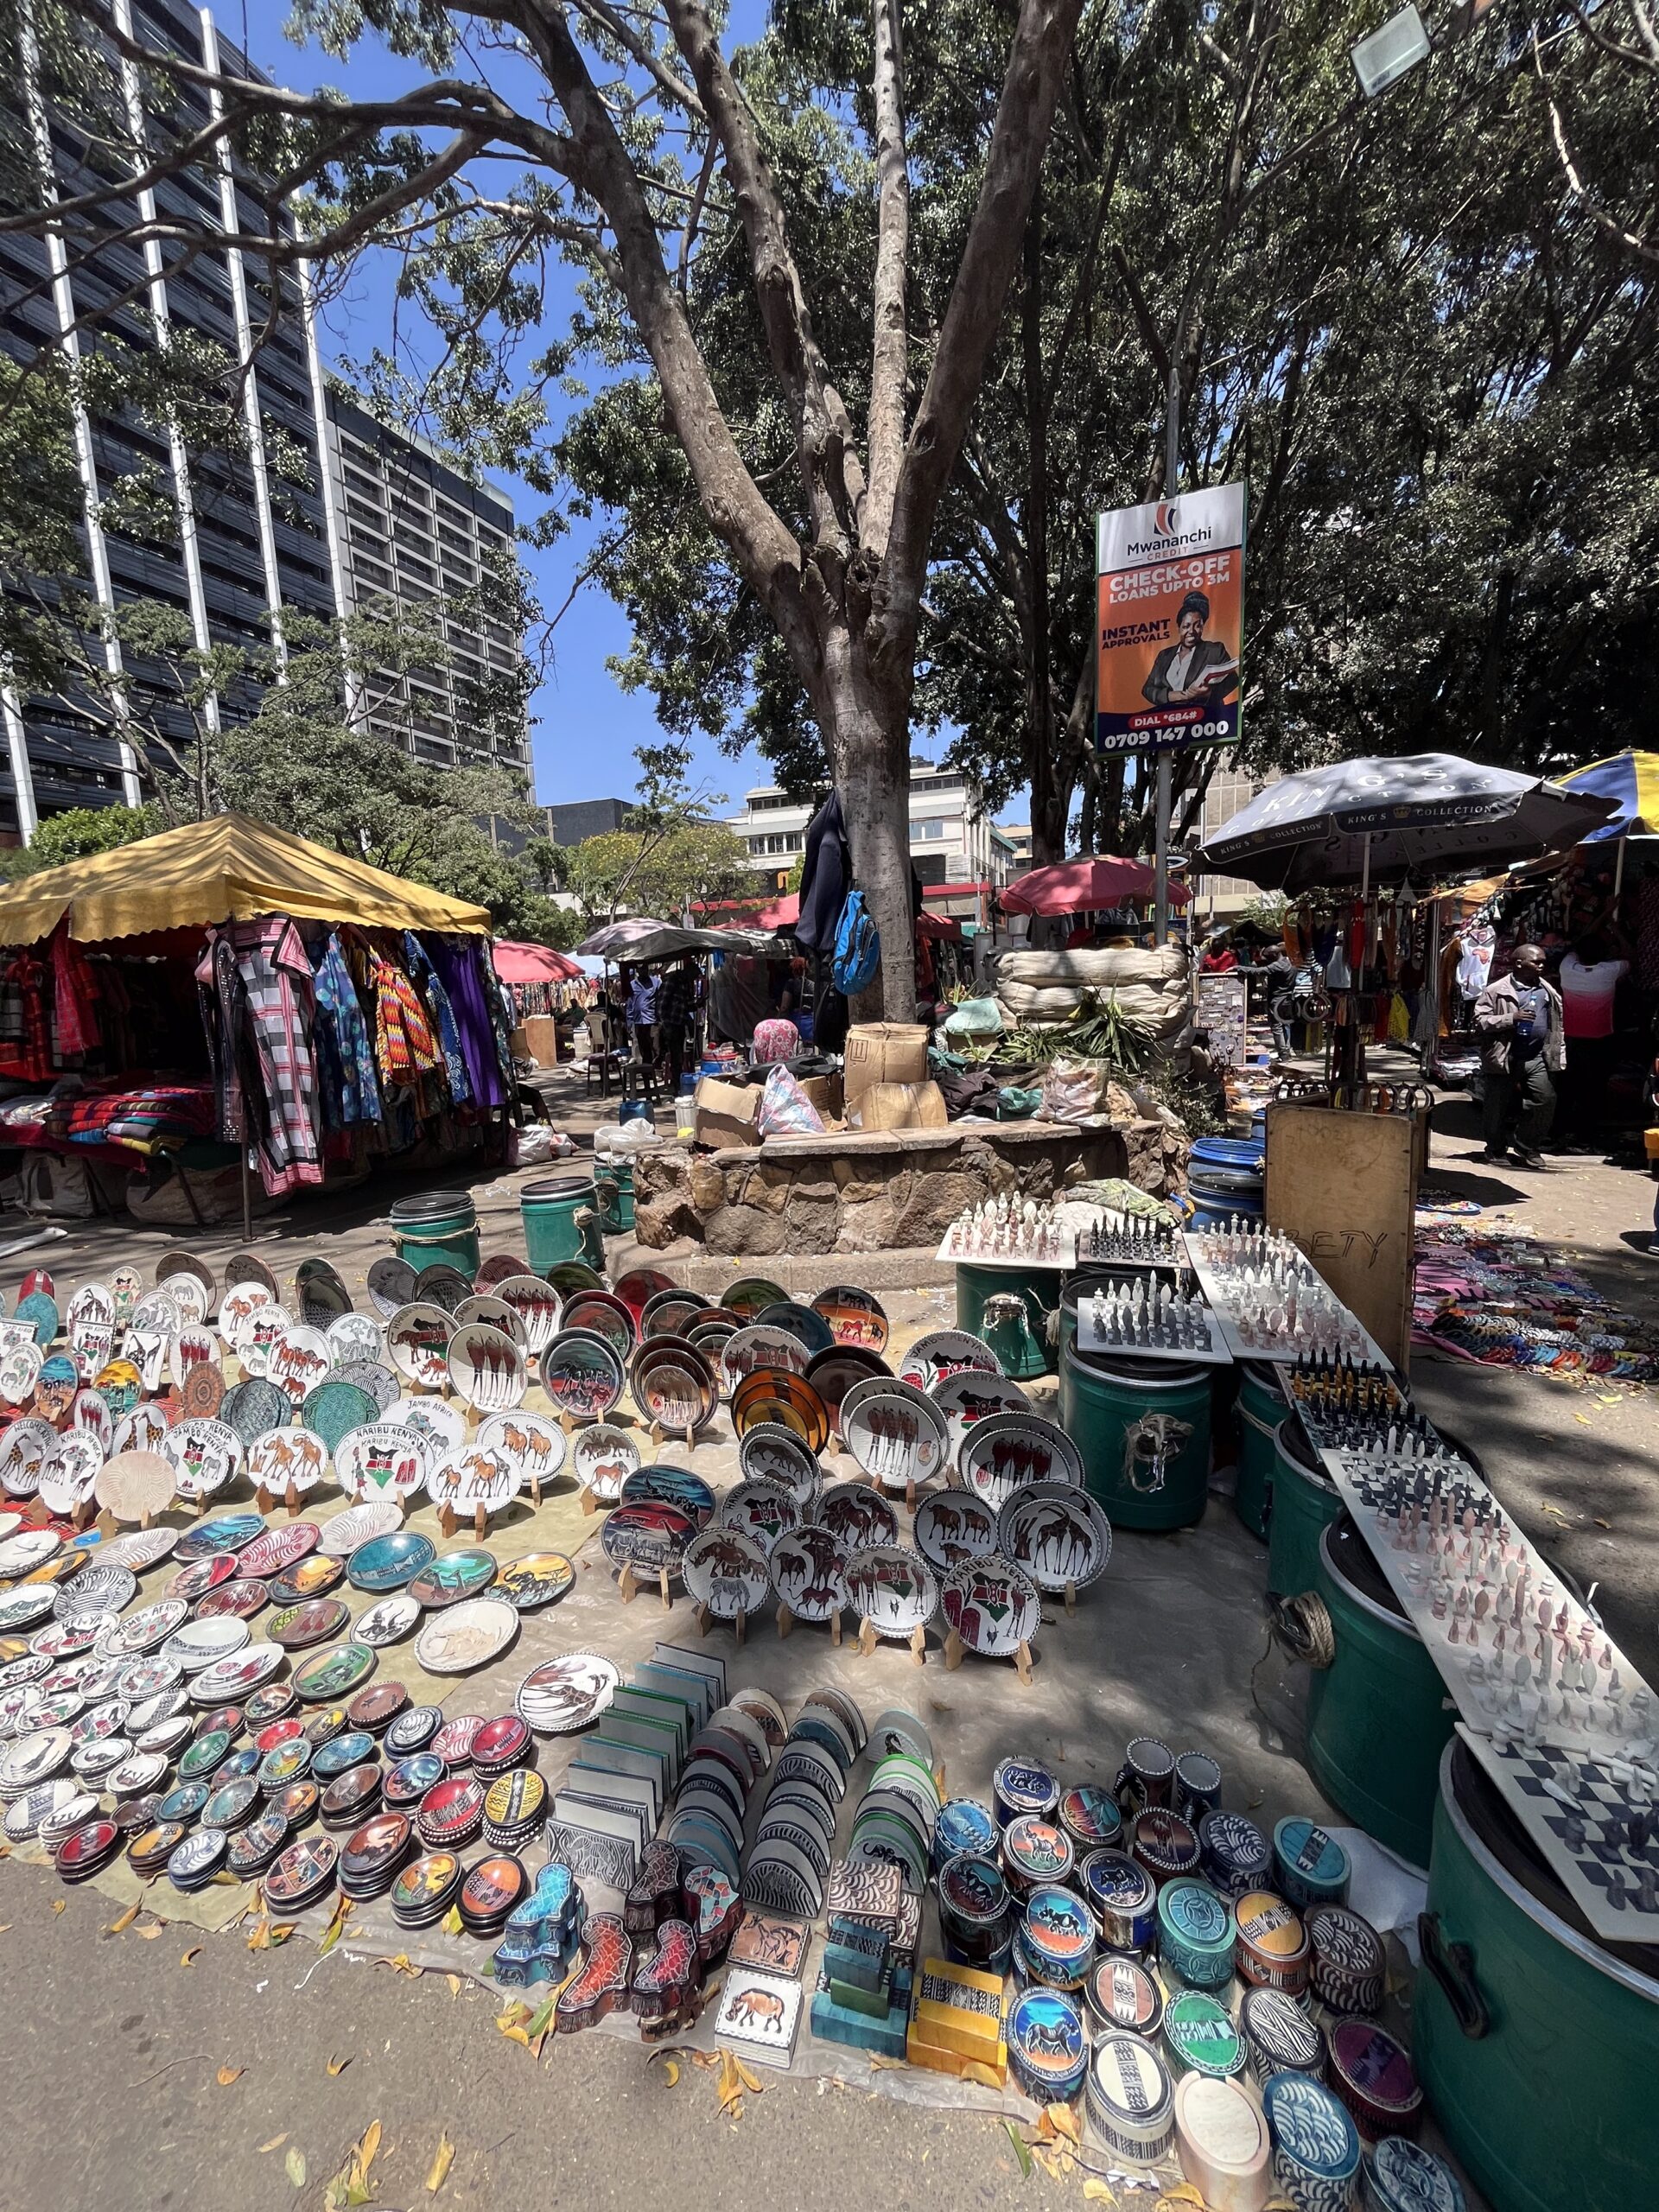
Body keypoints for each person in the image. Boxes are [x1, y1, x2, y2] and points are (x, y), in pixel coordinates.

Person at [1474, 943, 1564, 1168]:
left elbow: (1556, 1021)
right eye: (1537, 961)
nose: (1542, 965)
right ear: (1518, 963)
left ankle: (1525, 1145)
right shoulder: (1496, 990)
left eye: (1543, 961)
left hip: (1537, 1056)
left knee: (1545, 1099)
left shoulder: (1547, 988)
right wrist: (1510, 1018)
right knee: (1497, 1106)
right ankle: (1495, 1149)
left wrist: (1558, 1050)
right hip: (1505, 1056)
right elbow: (1479, 1021)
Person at [1557, 926, 1630, 1143]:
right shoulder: (1610, 971)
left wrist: (1604, 915)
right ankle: (1585, 1133)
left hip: (1571, 1038)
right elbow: (1630, 956)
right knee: (1594, 1088)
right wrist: (1618, 932)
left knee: (1570, 1085)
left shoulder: (1567, 968)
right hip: (1600, 1040)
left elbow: (1576, 941)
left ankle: (1562, 1129)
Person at [1142, 591, 1238, 709]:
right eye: (1186, 626)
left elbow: (1232, 681)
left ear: (1202, 627)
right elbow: (1148, 689)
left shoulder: (1214, 650)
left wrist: (1208, 693)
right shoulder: (1164, 655)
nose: (1191, 631)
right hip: (1167, 720)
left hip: (1202, 719)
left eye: (1197, 626)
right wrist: (1169, 696)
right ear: (1179, 628)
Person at [658, 957, 697, 1092]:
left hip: (680, 1024)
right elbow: (662, 1005)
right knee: (676, 1057)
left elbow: (685, 1005)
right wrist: (665, 1025)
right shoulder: (672, 981)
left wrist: (697, 1004)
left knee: (679, 1056)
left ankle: (680, 1084)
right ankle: (677, 1088)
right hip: (671, 1025)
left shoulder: (685, 984)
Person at [625, 963, 659, 1069]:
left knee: (655, 1046)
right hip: (638, 1021)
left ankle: (656, 1067)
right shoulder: (632, 985)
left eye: (644, 969)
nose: (642, 971)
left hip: (652, 1020)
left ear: (647, 969)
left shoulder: (656, 982)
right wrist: (629, 1022)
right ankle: (647, 1070)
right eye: (640, 969)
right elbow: (630, 1005)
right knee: (643, 1048)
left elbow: (660, 1000)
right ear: (637, 971)